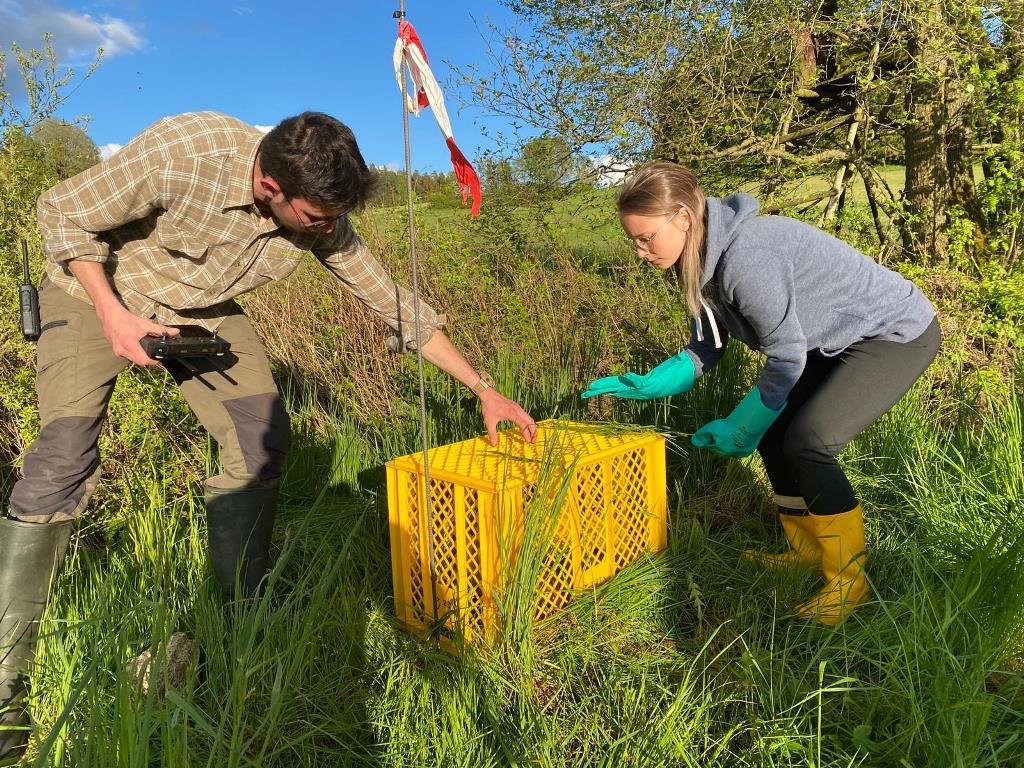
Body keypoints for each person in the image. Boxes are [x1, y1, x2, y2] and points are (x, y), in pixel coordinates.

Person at [0, 111, 536, 759]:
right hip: (94, 293)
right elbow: (61, 211)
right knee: (62, 460)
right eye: (316, 218)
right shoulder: (186, 152)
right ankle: (7, 691)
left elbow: (393, 302)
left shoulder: (321, 216)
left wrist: (484, 388)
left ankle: (239, 619)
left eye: (336, 218)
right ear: (270, 187)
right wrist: (114, 315)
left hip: (198, 310)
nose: (328, 229)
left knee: (262, 436)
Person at [583, 161, 939, 627]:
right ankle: (805, 552)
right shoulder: (696, 259)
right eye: (634, 240)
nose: (639, 251)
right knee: (775, 436)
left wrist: (742, 423)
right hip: (828, 342)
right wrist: (656, 381)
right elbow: (708, 344)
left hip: (893, 334)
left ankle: (848, 585)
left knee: (810, 442)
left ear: (683, 218)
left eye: (646, 238)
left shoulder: (747, 255)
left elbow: (786, 356)